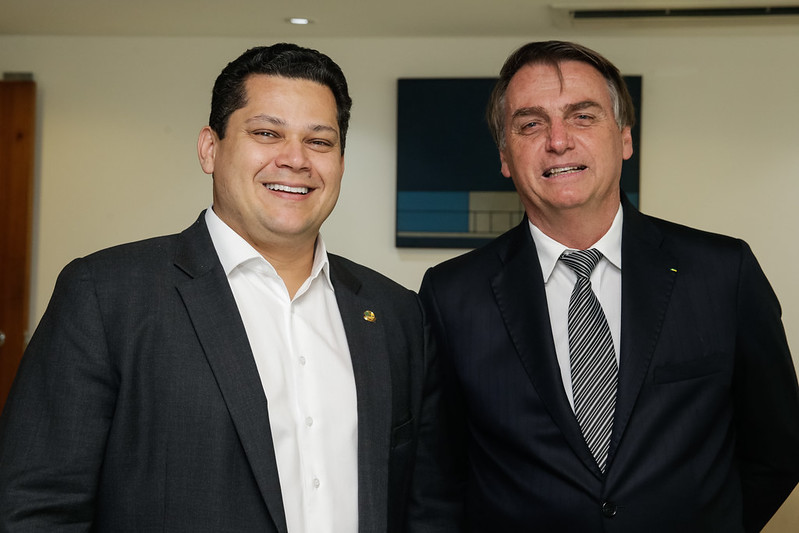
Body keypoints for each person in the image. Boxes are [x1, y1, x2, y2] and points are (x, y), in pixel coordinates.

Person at [0, 43, 457, 532]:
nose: (295, 159)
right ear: (209, 149)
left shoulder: (396, 314)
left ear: (341, 162)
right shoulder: (106, 294)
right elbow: (37, 506)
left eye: (319, 142)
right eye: (266, 133)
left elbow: (425, 507)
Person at [419, 40, 799, 532]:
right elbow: (436, 484)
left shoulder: (723, 274)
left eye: (583, 116)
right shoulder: (451, 296)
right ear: (505, 157)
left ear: (624, 138)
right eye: (531, 124)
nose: (558, 141)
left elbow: (778, 448)